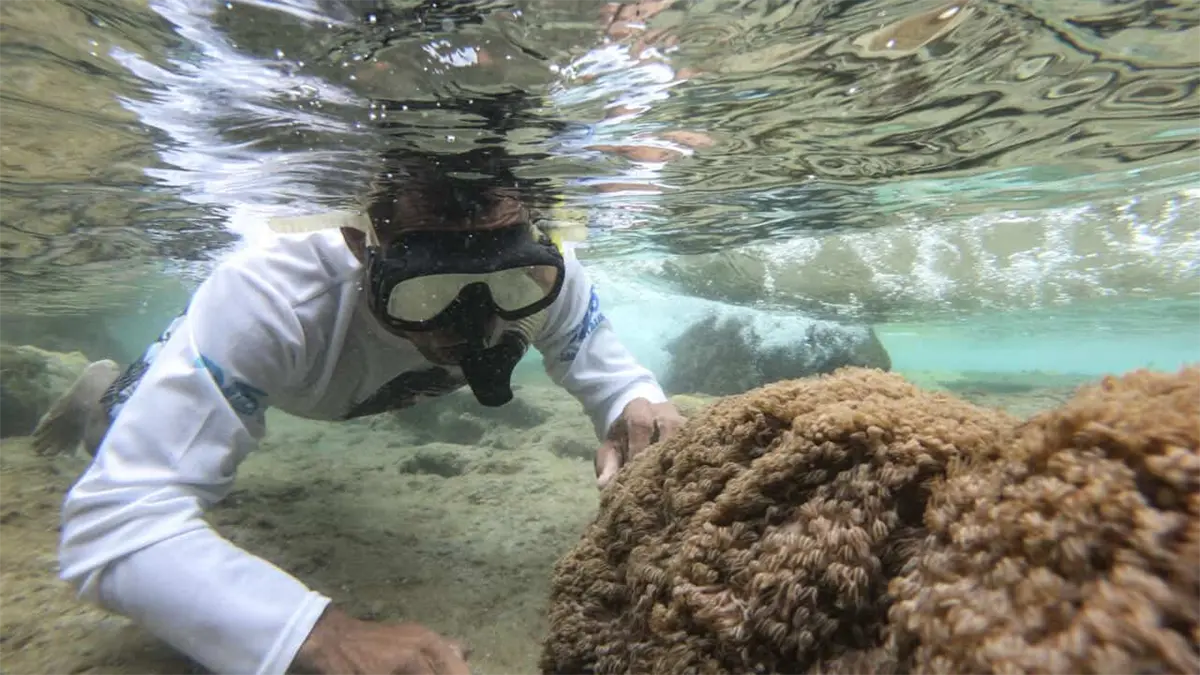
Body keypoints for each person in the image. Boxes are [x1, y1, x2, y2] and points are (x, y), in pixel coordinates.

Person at [39, 147, 685, 675]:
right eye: (429, 289)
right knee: (112, 432)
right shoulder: (271, 298)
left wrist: (634, 408)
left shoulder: (552, 278)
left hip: (336, 385)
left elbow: (616, 381)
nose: (476, 325)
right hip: (285, 375)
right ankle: (105, 390)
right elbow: (114, 521)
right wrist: (318, 635)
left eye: (506, 279)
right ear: (359, 241)